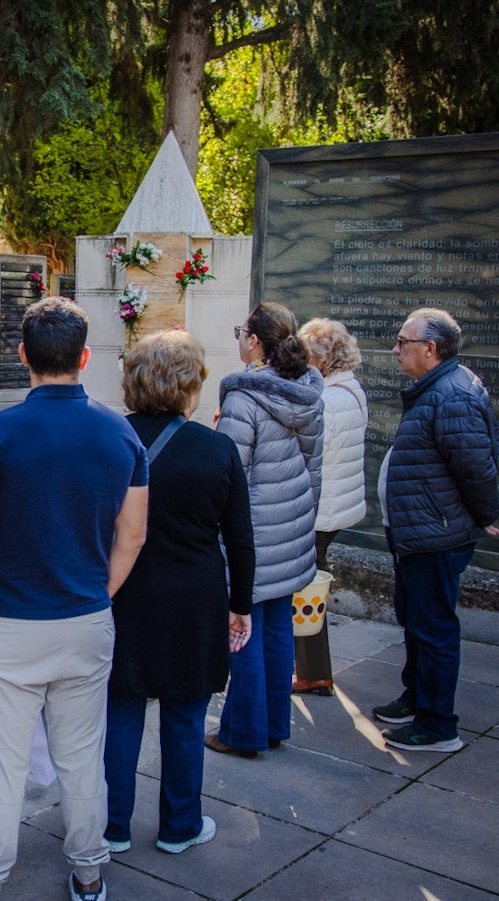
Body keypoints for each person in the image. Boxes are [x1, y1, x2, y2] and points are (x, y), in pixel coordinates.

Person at [0, 297, 149, 901]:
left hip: (9, 619)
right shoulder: (121, 433)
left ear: (22, 356)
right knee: (82, 757)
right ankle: (89, 874)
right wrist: (98, 594)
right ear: (84, 357)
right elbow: (131, 536)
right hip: (85, 617)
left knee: (1, 769)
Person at [104, 331, 254, 856]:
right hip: (195, 599)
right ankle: (179, 825)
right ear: (191, 385)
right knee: (186, 717)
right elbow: (239, 537)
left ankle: (111, 826)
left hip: (122, 596)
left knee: (119, 712)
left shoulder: (111, 439)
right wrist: (241, 606)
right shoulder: (216, 448)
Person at [373, 308, 499, 752]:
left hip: (436, 534)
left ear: (429, 349)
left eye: (403, 341)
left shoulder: (452, 395)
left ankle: (437, 725)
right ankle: (417, 697)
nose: (395, 349)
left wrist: (489, 515)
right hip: (419, 530)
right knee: (416, 621)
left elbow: (476, 468)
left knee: (433, 627)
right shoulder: (440, 387)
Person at [207, 301, 323, 758]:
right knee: (276, 627)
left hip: (254, 533)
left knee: (243, 631)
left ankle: (243, 732)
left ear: (254, 341)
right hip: (290, 526)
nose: (239, 338)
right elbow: (313, 463)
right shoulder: (307, 387)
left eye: (241, 331)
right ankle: (274, 723)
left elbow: (229, 477)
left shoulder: (242, 397)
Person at [292, 318, 369, 696]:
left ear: (322, 360)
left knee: (308, 588)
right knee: (312, 582)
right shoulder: (351, 390)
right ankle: (310, 668)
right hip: (337, 505)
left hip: (320, 509)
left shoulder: (326, 400)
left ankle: (313, 671)